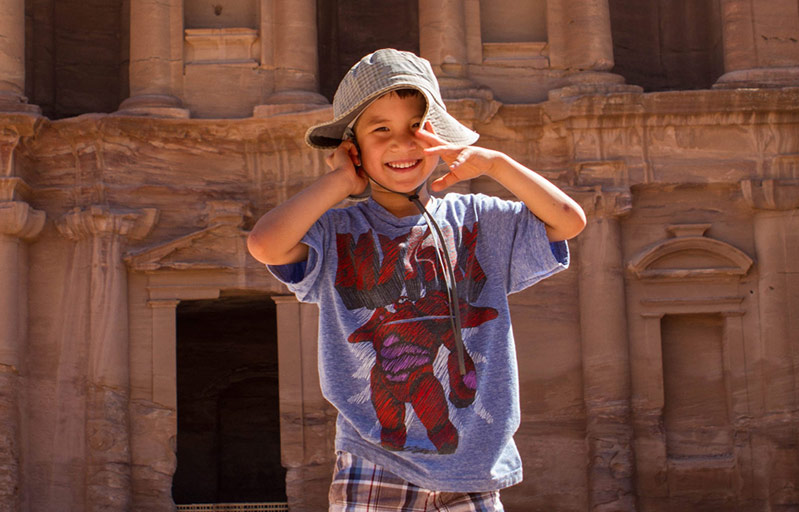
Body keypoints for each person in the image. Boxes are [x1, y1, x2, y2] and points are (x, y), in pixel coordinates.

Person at [246, 49, 586, 511]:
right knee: (396, 410)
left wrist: (497, 166)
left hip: (474, 467)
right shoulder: (337, 231)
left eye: (417, 128)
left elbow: (568, 222)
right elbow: (265, 244)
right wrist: (341, 183)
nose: (403, 144)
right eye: (380, 129)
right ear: (354, 149)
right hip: (373, 461)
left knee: (431, 406)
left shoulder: (478, 221)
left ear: (440, 137)